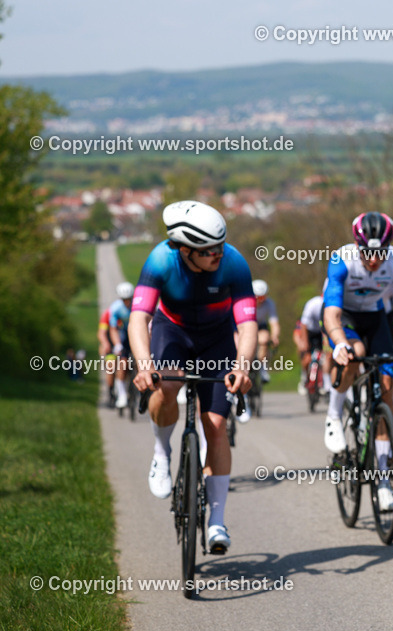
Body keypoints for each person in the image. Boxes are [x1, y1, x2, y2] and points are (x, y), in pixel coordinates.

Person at [129, 200, 256, 554]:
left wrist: (242, 366)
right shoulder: (159, 261)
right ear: (185, 250)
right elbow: (139, 318)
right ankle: (161, 451)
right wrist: (144, 366)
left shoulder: (234, 262)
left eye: (220, 245)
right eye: (208, 250)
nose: (217, 253)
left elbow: (247, 324)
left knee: (215, 424)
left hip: (217, 339)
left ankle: (217, 520)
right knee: (166, 385)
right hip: (174, 332)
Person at [322, 211, 393, 512]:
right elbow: (330, 312)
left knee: (387, 386)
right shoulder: (342, 259)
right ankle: (333, 416)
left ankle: (383, 479)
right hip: (343, 317)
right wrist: (340, 343)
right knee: (355, 354)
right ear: (357, 246)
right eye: (368, 253)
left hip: (374, 317)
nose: (373, 259)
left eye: (379, 253)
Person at [108, 281, 136, 408]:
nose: (127, 302)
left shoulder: (137, 305)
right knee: (122, 364)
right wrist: (117, 344)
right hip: (123, 336)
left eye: (129, 299)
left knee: (142, 362)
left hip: (136, 334)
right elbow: (113, 329)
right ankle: (122, 394)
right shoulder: (115, 308)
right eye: (124, 299)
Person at [294, 292, 325, 395]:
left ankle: (323, 382)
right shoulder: (313, 304)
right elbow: (303, 325)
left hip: (322, 332)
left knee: (325, 358)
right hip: (309, 331)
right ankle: (304, 378)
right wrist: (305, 344)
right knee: (306, 358)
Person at [252, 279, 280, 383]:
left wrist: (275, 336)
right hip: (247, 324)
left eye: (263, 297)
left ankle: (262, 369)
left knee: (264, 340)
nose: (261, 300)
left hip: (261, 325)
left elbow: (274, 322)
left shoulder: (269, 303)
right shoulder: (247, 301)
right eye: (258, 297)